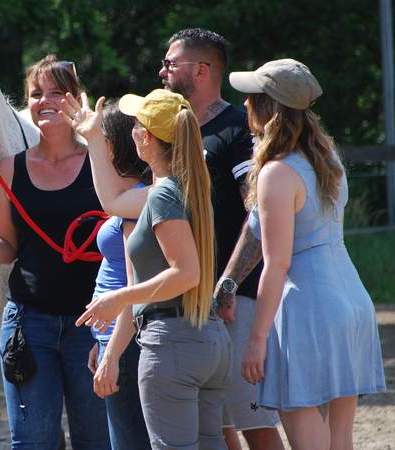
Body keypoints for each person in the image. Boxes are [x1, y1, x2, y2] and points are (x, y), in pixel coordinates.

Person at [0, 55, 111, 450]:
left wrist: (97, 137)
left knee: (97, 439)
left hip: (93, 324)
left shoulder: (101, 159)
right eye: (36, 94)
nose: (45, 101)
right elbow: (7, 248)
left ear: (76, 99)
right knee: (33, 440)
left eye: (57, 92)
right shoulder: (10, 168)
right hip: (28, 323)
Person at [229, 59, 386, 450]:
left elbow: (277, 263)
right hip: (350, 298)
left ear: (266, 108)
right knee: (340, 439)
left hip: (308, 307)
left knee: (307, 439)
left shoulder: (277, 174)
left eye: (251, 98)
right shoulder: (327, 158)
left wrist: (256, 339)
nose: (245, 105)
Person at [65, 88, 232, 449]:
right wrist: (94, 138)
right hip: (209, 338)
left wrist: (118, 297)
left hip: (173, 343)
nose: (132, 131)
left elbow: (186, 273)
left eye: (137, 125)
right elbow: (113, 201)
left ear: (146, 138)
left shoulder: (163, 194)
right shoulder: (190, 187)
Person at [159, 28, 284, 450]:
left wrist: (228, 283)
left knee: (255, 423)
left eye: (171, 63)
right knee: (216, 425)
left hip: (236, 300)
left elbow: (258, 214)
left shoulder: (235, 128)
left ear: (201, 69)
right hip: (190, 301)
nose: (162, 71)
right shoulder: (174, 131)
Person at [86, 102, 151, 450]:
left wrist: (112, 351)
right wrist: (103, 343)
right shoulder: (131, 198)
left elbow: (133, 286)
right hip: (115, 338)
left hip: (127, 340)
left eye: (101, 141)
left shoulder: (131, 203)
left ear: (112, 146)